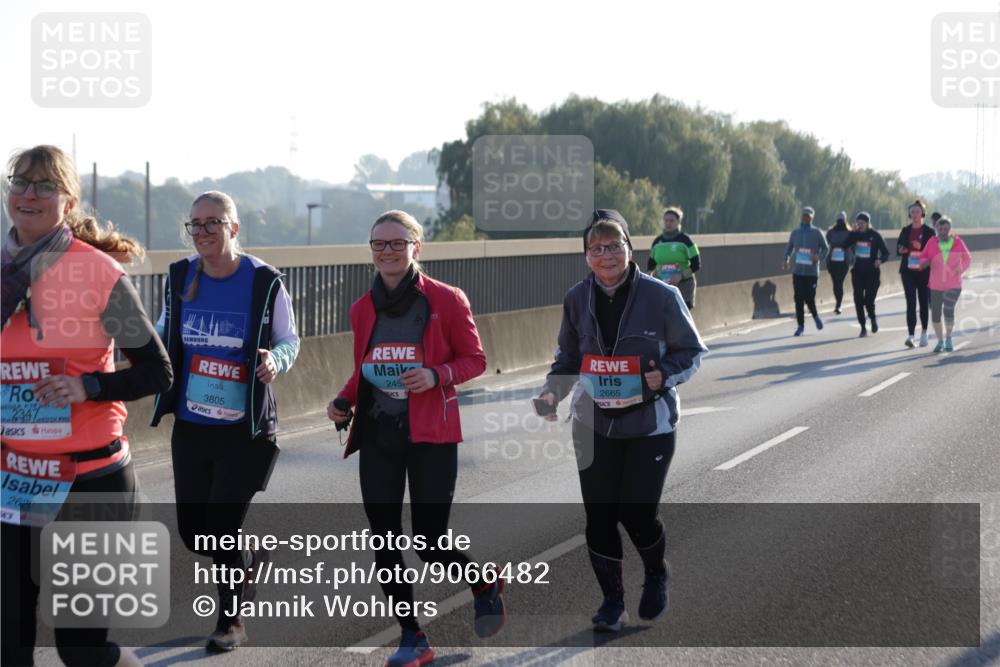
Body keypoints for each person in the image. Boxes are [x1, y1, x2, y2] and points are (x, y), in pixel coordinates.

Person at [2, 145, 171, 667]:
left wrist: (89, 387)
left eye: (45, 186)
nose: (29, 194)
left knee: (82, 650)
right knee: (7, 646)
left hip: (88, 481)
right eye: (20, 182)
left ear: (68, 201)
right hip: (16, 480)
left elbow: (156, 371)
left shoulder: (95, 273)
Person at [327, 210, 503, 667]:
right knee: (383, 538)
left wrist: (436, 374)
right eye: (378, 244)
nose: (387, 252)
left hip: (431, 436)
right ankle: (412, 636)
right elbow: (366, 368)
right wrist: (344, 401)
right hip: (380, 434)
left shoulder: (447, 300)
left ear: (416, 248)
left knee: (429, 542)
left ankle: (482, 581)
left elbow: (475, 359)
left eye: (397, 243)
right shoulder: (362, 308)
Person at [538, 209, 707, 632]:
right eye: (596, 248)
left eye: (614, 246)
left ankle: (655, 572)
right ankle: (612, 601)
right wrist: (551, 392)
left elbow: (692, 352)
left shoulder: (662, 297)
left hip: (649, 424)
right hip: (593, 423)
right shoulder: (577, 298)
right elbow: (569, 357)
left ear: (630, 250)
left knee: (637, 513)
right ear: (586, 257)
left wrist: (663, 376)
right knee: (598, 516)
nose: (606, 255)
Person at [150, 191, 300, 652]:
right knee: (194, 531)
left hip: (244, 429)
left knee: (221, 524)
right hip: (194, 423)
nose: (203, 232)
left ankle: (231, 621)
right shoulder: (180, 276)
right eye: (195, 224)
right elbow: (161, 332)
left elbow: (289, 339)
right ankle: (248, 561)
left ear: (234, 228)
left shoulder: (264, 281)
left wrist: (275, 360)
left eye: (213, 223)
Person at [917, 216, 972, 352]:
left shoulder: (958, 242)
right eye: (940, 229)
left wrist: (961, 268)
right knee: (935, 315)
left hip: (953, 284)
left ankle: (948, 338)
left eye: (946, 229)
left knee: (948, 311)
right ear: (936, 228)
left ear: (949, 229)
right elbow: (922, 257)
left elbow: (967, 258)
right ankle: (940, 341)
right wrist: (925, 262)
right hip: (935, 285)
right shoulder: (931, 242)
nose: (943, 231)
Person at [841, 212, 890, 337]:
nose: (860, 225)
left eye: (862, 223)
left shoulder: (875, 235)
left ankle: (873, 319)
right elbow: (844, 245)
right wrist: (850, 234)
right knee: (858, 300)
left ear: (868, 223)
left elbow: (886, 253)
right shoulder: (855, 235)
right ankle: (863, 327)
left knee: (868, 301)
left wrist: (880, 260)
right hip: (857, 272)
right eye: (858, 223)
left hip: (872, 273)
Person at [783, 206, 829, 336]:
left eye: (808, 216)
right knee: (798, 298)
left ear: (812, 218)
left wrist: (818, 257)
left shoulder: (817, 233)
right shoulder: (795, 233)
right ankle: (800, 327)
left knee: (809, 298)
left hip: (812, 272)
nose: (805, 218)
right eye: (804, 215)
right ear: (801, 217)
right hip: (798, 272)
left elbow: (826, 248)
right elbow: (789, 249)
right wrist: (785, 260)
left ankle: (815, 316)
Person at [895, 199, 935, 348]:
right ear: (909, 214)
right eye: (912, 212)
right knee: (910, 302)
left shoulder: (929, 232)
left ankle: (924, 332)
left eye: (917, 212)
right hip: (908, 271)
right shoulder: (905, 230)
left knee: (923, 302)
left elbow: (934, 252)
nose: (915, 215)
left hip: (924, 271)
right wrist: (902, 250)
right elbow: (899, 247)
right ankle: (911, 335)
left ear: (922, 213)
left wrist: (922, 247)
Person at [647, 206, 701, 309]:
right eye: (666, 220)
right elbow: (651, 265)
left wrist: (681, 276)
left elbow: (697, 264)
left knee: (681, 318)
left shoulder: (685, 240)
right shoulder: (657, 242)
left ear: (678, 222)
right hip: (663, 286)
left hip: (683, 285)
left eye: (672, 220)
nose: (668, 223)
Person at [825, 211, 853, 314]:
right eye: (839, 219)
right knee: (835, 283)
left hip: (844, 262)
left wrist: (853, 258)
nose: (840, 221)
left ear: (845, 220)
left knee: (839, 282)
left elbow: (853, 246)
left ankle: (839, 304)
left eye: (842, 219)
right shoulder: (831, 232)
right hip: (832, 262)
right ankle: (838, 302)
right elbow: (825, 244)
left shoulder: (850, 232)